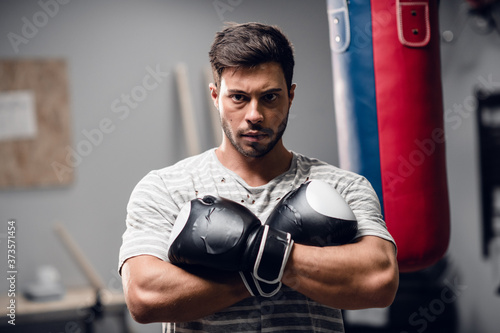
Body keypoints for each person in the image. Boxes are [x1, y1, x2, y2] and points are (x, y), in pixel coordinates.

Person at [118, 22, 399, 332]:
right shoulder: (166, 188)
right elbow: (143, 297)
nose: (254, 115)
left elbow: (380, 280)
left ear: (291, 96)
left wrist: (250, 248)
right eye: (238, 97)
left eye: (269, 97)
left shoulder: (342, 187)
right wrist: (270, 260)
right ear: (215, 96)